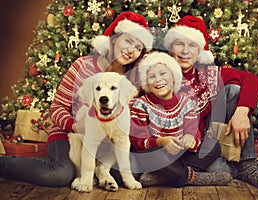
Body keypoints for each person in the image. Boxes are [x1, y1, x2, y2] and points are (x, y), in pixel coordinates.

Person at [0, 11, 153, 187]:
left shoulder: (132, 82)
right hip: (68, 134)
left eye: (138, 47)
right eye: (127, 40)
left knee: (131, 171)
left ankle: (101, 173)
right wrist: (73, 125)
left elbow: (131, 119)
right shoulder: (82, 66)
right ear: (113, 39)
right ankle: (4, 164)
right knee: (59, 175)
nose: (131, 50)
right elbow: (57, 107)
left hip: (108, 142)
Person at [161, 15, 258, 190]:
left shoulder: (208, 73)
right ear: (171, 48)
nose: (185, 51)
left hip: (208, 133)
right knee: (217, 168)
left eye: (192, 45)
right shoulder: (160, 73)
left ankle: (248, 162)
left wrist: (241, 113)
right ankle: (250, 167)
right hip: (184, 144)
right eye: (179, 44)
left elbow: (253, 80)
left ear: (199, 51)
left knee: (233, 89)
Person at [129, 51, 233, 187]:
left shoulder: (186, 102)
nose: (158, 80)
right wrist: (161, 142)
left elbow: (193, 128)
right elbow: (138, 141)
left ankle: (163, 176)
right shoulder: (141, 105)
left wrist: (190, 138)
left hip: (181, 155)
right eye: (151, 77)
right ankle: (192, 178)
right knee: (149, 156)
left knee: (213, 146)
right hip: (157, 154)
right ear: (146, 83)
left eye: (162, 73)